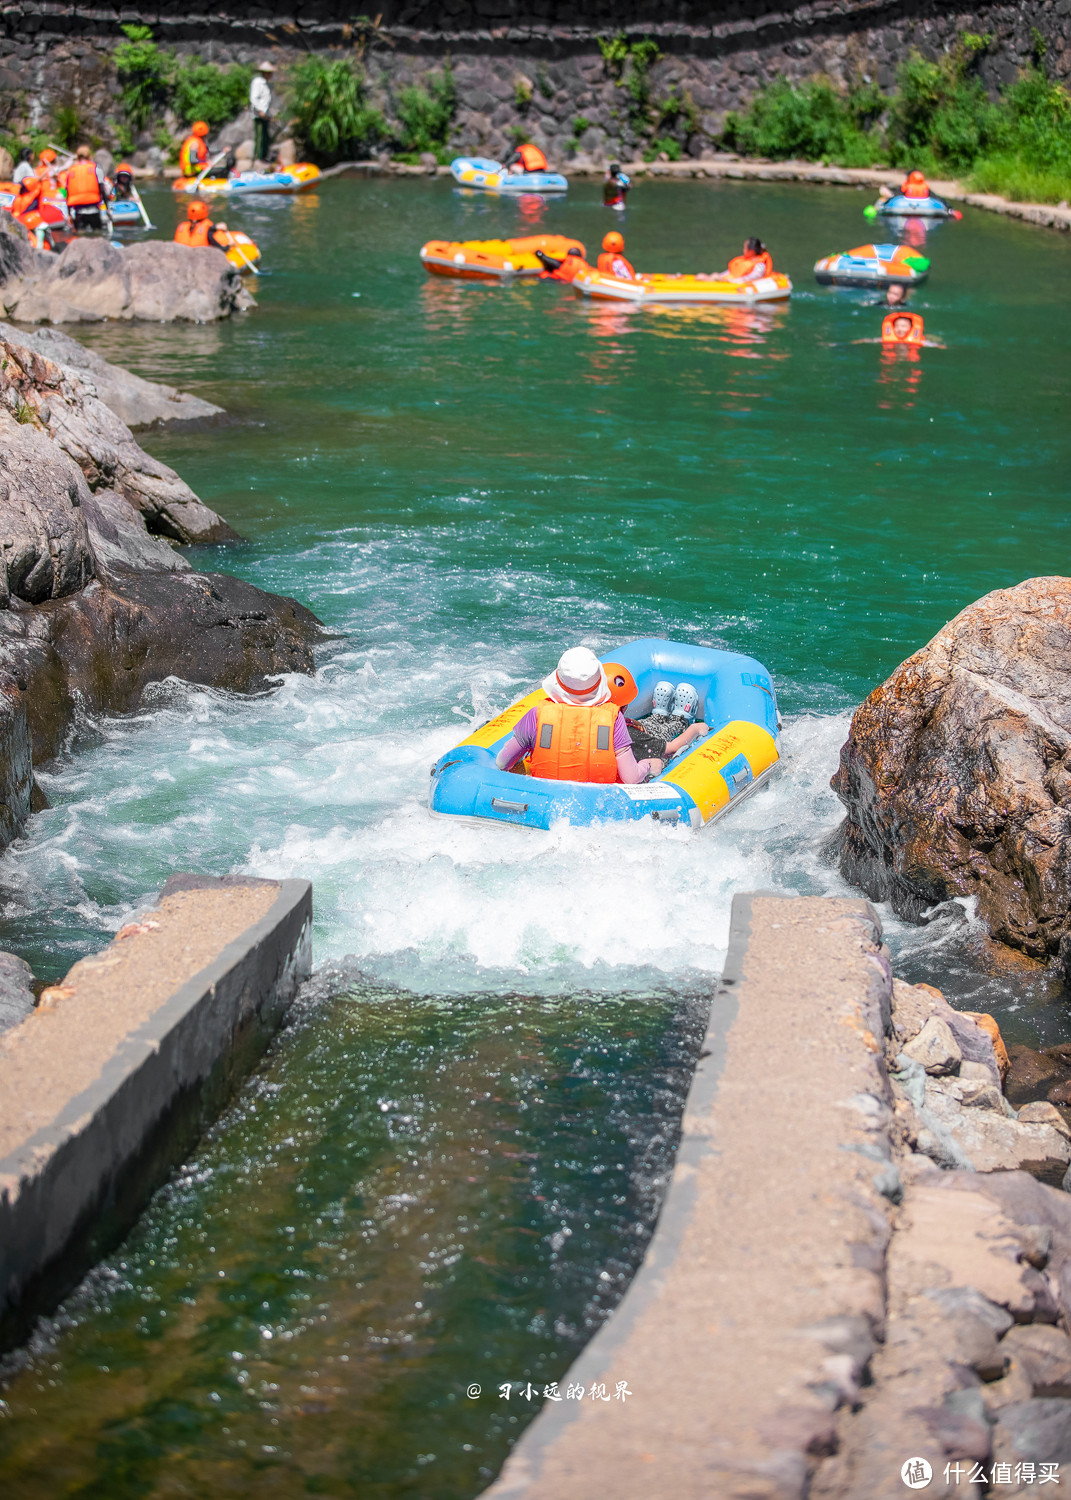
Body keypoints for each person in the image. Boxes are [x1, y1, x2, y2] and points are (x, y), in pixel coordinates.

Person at [495, 647, 662, 783]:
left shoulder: (537, 715)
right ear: (599, 683)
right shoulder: (613, 718)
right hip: (596, 802)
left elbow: (503, 763)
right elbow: (631, 778)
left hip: (543, 796)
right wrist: (647, 765)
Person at [63, 145, 109, 230]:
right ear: (89, 156)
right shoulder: (96, 168)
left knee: (80, 236)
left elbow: (68, 192)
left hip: (78, 210)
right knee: (97, 235)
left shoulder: (70, 170)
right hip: (93, 208)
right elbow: (102, 189)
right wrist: (107, 208)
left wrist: (69, 214)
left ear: (77, 157)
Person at [250, 59, 275, 164]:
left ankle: (264, 157)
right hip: (259, 115)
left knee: (266, 136)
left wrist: (268, 114)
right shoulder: (258, 82)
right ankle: (258, 158)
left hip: (265, 114)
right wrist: (260, 111)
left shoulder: (266, 84)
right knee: (260, 137)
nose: (271, 75)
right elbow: (254, 98)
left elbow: (266, 101)